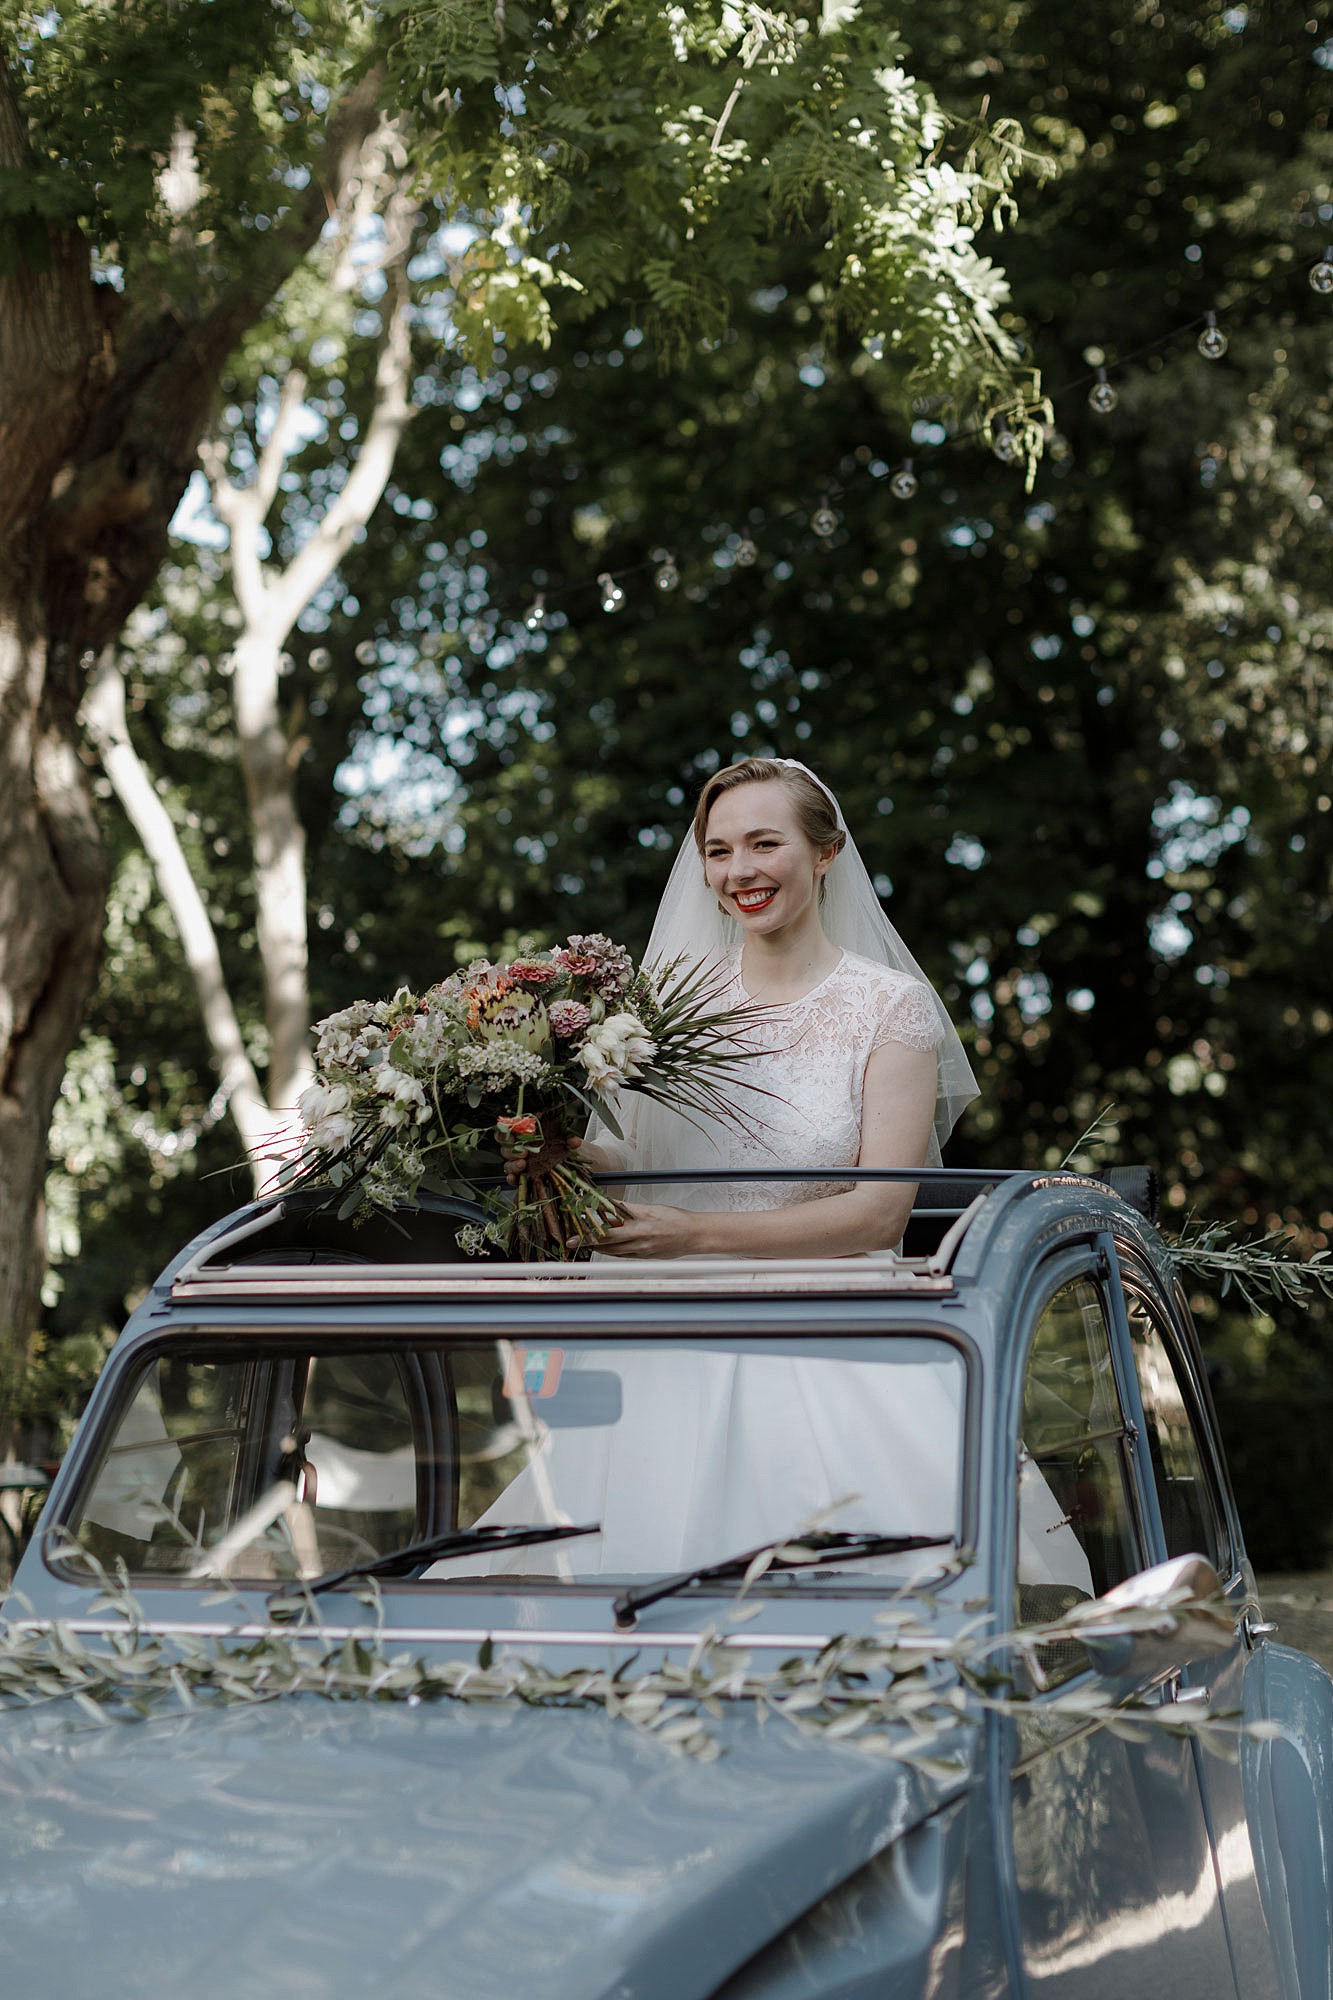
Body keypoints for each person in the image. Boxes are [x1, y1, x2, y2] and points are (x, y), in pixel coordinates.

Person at [582, 755, 979, 1257]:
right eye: (719, 851)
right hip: (664, 1297)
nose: (740, 872)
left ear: (826, 853)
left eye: (765, 844)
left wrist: (693, 1235)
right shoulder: (671, 996)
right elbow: (634, 1160)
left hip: (814, 1307)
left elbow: (879, 1216)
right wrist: (573, 1155)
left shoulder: (891, 1006)